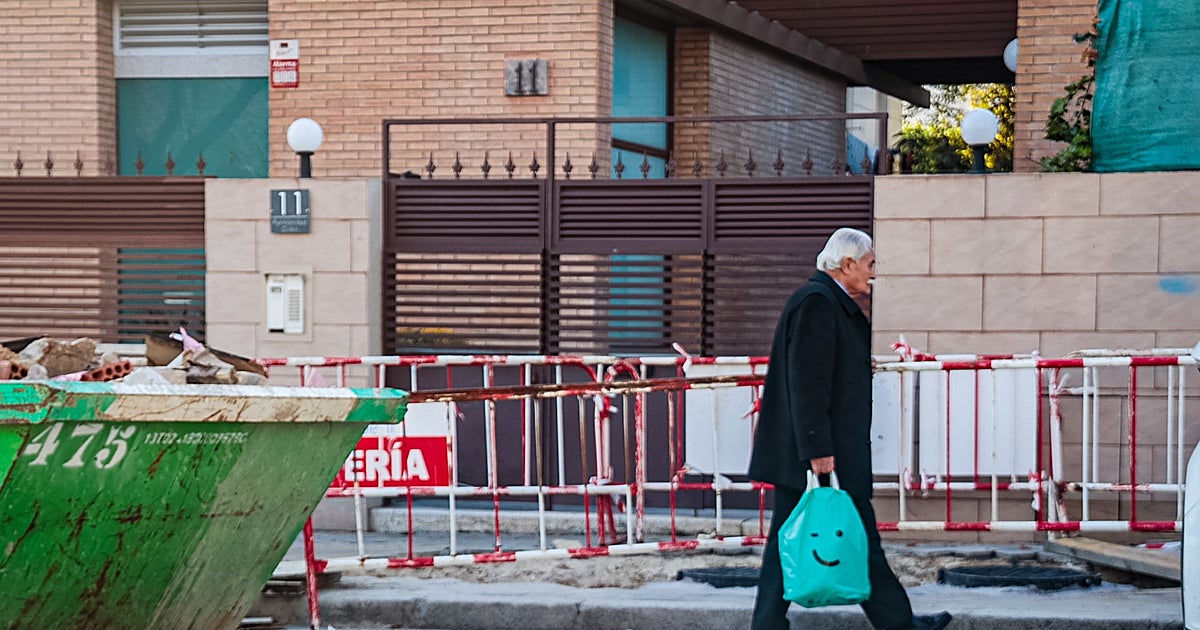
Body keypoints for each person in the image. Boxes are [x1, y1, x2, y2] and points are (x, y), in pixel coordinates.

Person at [748, 228, 951, 630]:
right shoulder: (818, 304)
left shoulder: (826, 302)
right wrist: (818, 449)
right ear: (848, 264)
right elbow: (806, 383)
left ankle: (769, 625)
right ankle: (899, 625)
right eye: (871, 264)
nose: (874, 273)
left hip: (818, 451)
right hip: (820, 454)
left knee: (805, 542)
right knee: (855, 540)